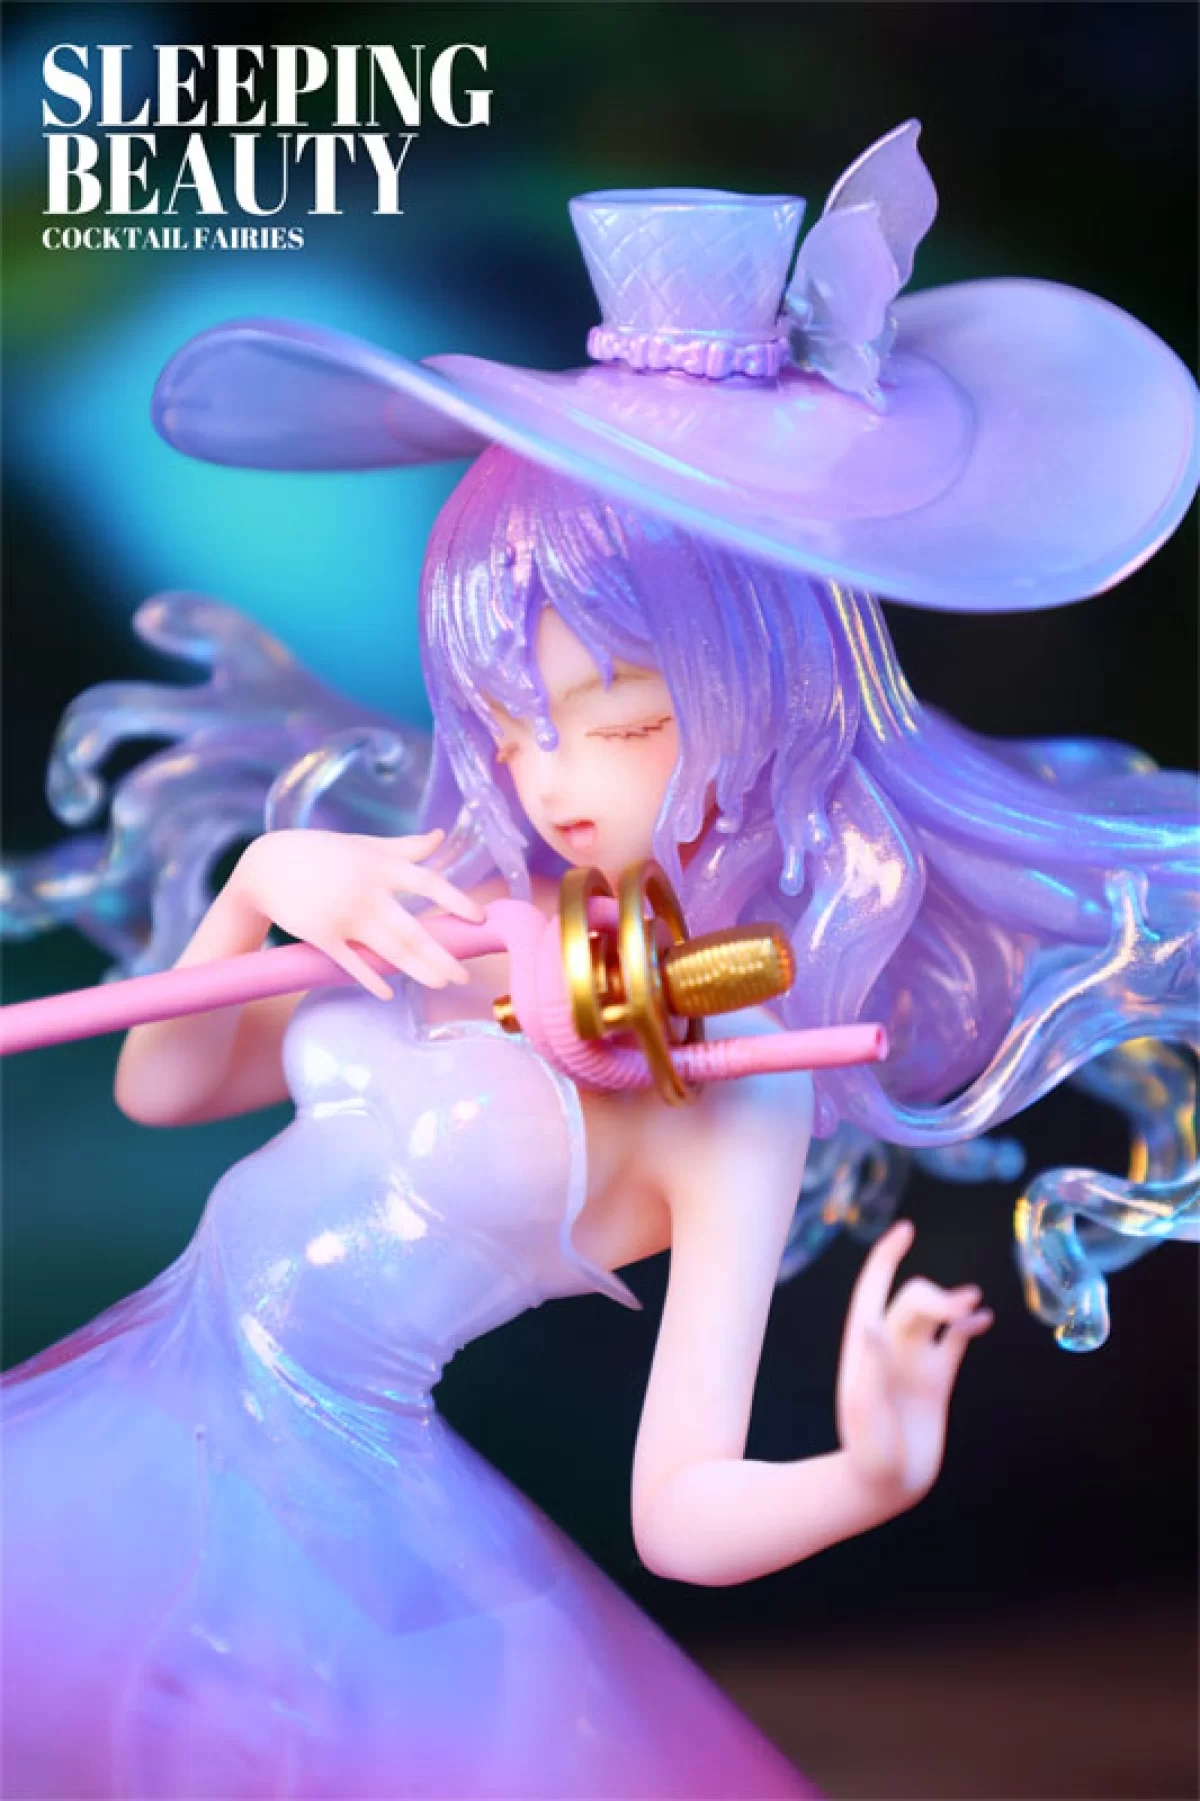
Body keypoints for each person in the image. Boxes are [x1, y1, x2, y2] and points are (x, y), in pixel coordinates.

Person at [2, 122, 1196, 1799]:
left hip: (329, 1529)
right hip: (126, 1421)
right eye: (508, 720)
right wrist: (263, 884)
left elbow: (682, 1513)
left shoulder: (733, 1079)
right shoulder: (451, 893)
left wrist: (870, 1464)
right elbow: (168, 1085)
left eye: (618, 722)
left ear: (755, 709)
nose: (550, 777)